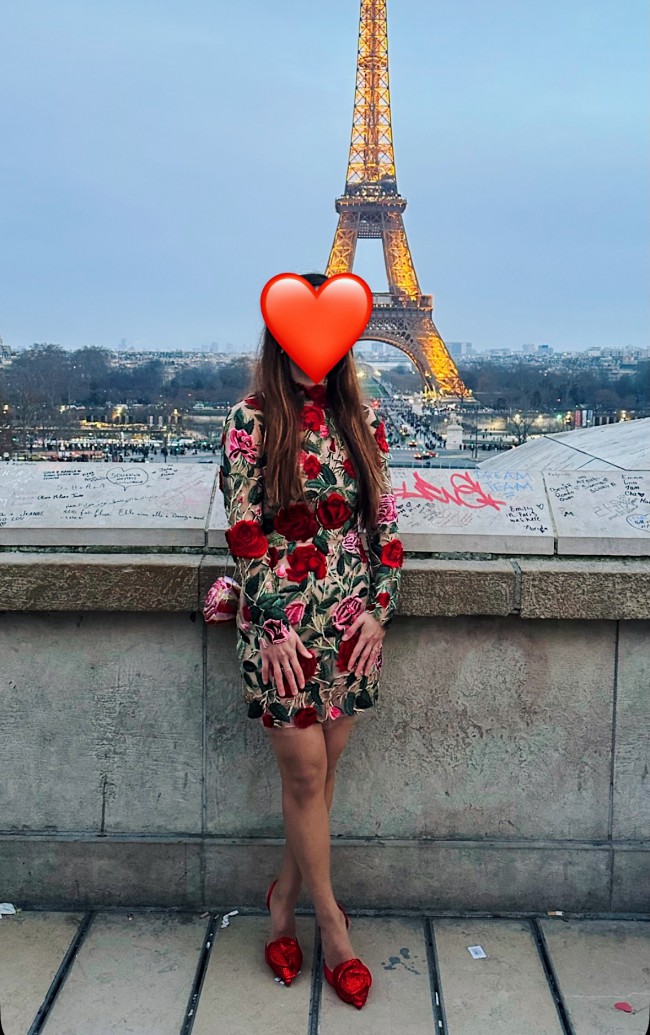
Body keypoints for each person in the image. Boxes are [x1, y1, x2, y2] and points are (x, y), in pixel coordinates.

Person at [219, 272, 403, 1010]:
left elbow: (384, 525)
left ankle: (281, 899)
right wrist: (270, 623)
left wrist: (378, 611)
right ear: (280, 335)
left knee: (321, 777)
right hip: (281, 633)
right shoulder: (250, 420)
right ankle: (332, 924)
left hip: (349, 625)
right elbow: (244, 531)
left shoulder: (364, 417)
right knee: (304, 777)